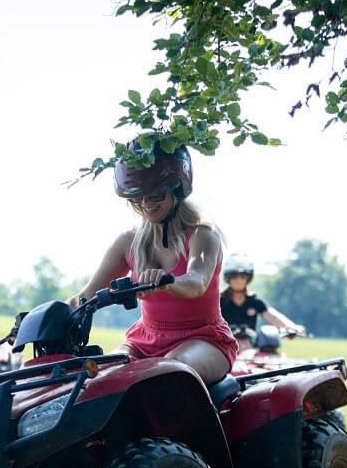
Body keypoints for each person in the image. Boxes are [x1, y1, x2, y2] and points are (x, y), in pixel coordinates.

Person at [70, 138, 238, 386]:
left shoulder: (203, 234)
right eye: (137, 197)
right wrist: (42, 318)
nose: (146, 203)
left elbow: (197, 282)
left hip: (203, 338)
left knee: (168, 373)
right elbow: (84, 296)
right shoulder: (128, 242)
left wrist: (167, 282)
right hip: (142, 340)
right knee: (98, 381)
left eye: (156, 194)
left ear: (177, 188)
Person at [220, 254, 305, 349]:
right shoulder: (219, 301)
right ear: (228, 277)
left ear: (248, 277)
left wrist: (292, 327)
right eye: (234, 275)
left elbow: (273, 317)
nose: (239, 279)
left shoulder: (254, 300)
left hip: (250, 350)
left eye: (243, 275)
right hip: (224, 349)